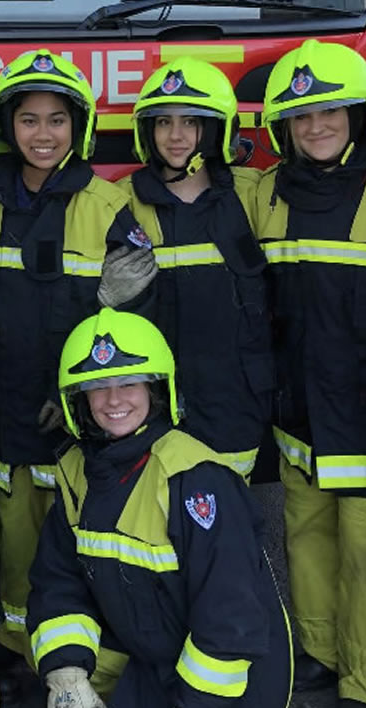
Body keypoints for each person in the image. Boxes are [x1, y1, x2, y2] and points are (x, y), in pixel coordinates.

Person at [26, 307, 349, 708]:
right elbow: (59, 581)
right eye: (97, 386)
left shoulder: (195, 480)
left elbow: (231, 612)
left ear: (157, 391)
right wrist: (66, 671)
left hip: (236, 670)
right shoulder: (76, 472)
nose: (113, 399)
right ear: (77, 399)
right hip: (158, 659)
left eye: (129, 383)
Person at [254, 39, 366, 708]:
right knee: (309, 543)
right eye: (300, 115)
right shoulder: (266, 192)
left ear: (359, 114)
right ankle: (321, 653)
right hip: (300, 417)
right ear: (281, 128)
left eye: (330, 110)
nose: (315, 125)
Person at [0, 49, 157, 660]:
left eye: (58, 120)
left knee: (80, 538)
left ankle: (81, 655)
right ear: (7, 127)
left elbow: (130, 325)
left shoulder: (108, 206)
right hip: (0, 412)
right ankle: (21, 654)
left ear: (78, 128)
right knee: (13, 543)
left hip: (76, 421)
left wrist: (79, 393)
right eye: (29, 120)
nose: (43, 134)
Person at [118, 57, 271, 479]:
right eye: (163, 122)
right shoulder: (120, 201)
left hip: (235, 394)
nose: (176, 135)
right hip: (155, 396)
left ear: (216, 128)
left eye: (191, 121)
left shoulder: (253, 194)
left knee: (229, 518)